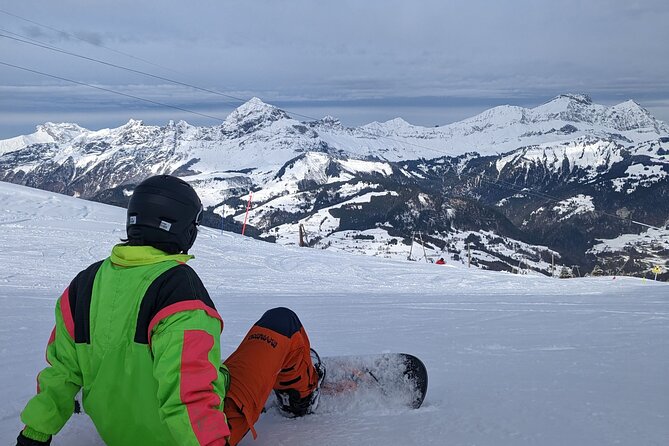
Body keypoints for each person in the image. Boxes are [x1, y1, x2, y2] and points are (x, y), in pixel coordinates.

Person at [16, 175, 325, 446]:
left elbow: (61, 373)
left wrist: (35, 434)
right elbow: (187, 392)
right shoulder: (178, 290)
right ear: (185, 231)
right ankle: (299, 396)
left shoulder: (83, 285)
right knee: (282, 321)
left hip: (117, 434)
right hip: (192, 436)